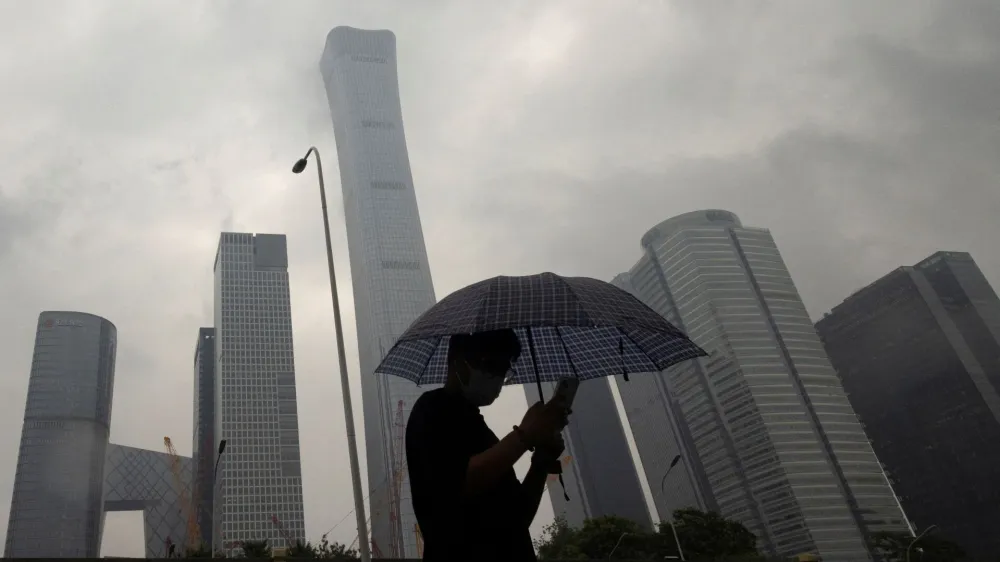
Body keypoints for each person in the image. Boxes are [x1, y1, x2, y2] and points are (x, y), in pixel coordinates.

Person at [406, 329, 570, 561]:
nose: (498, 376)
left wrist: (541, 459)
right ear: (458, 362)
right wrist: (526, 434)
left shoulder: (482, 431)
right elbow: (458, 482)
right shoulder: (431, 410)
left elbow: (518, 517)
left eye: (504, 368)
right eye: (490, 364)